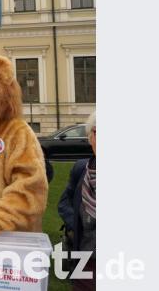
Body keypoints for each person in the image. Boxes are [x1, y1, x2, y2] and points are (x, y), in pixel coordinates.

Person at [58, 110, 96, 291]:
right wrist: (75, 225)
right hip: (85, 257)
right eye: (97, 132)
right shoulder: (81, 169)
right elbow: (64, 203)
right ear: (90, 137)